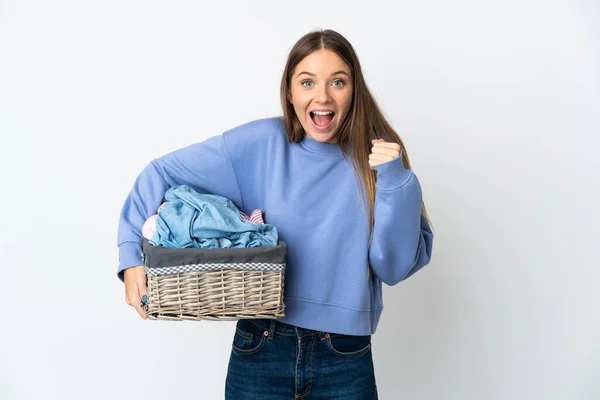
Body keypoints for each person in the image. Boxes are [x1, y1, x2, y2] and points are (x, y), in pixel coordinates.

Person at [117, 29, 434, 400]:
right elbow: (161, 172)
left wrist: (396, 182)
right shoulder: (261, 144)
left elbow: (393, 268)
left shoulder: (380, 163)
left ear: (354, 89)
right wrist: (131, 258)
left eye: (338, 81)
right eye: (307, 82)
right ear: (289, 91)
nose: (322, 96)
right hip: (261, 348)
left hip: (345, 357)